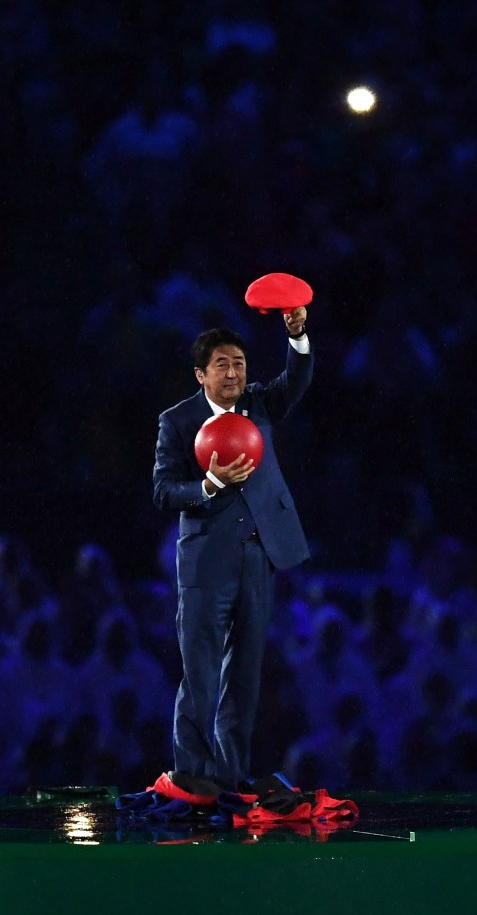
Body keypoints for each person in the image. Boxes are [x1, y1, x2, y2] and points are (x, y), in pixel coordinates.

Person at [151, 308, 311, 788]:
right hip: (205, 564)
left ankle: (232, 774)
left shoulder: (260, 405)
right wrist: (207, 485)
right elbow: (163, 491)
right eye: (221, 364)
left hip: (258, 557)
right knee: (200, 671)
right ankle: (192, 777)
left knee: (245, 673)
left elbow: (296, 380)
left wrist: (297, 336)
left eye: (239, 363)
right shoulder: (177, 422)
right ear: (201, 374)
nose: (233, 372)